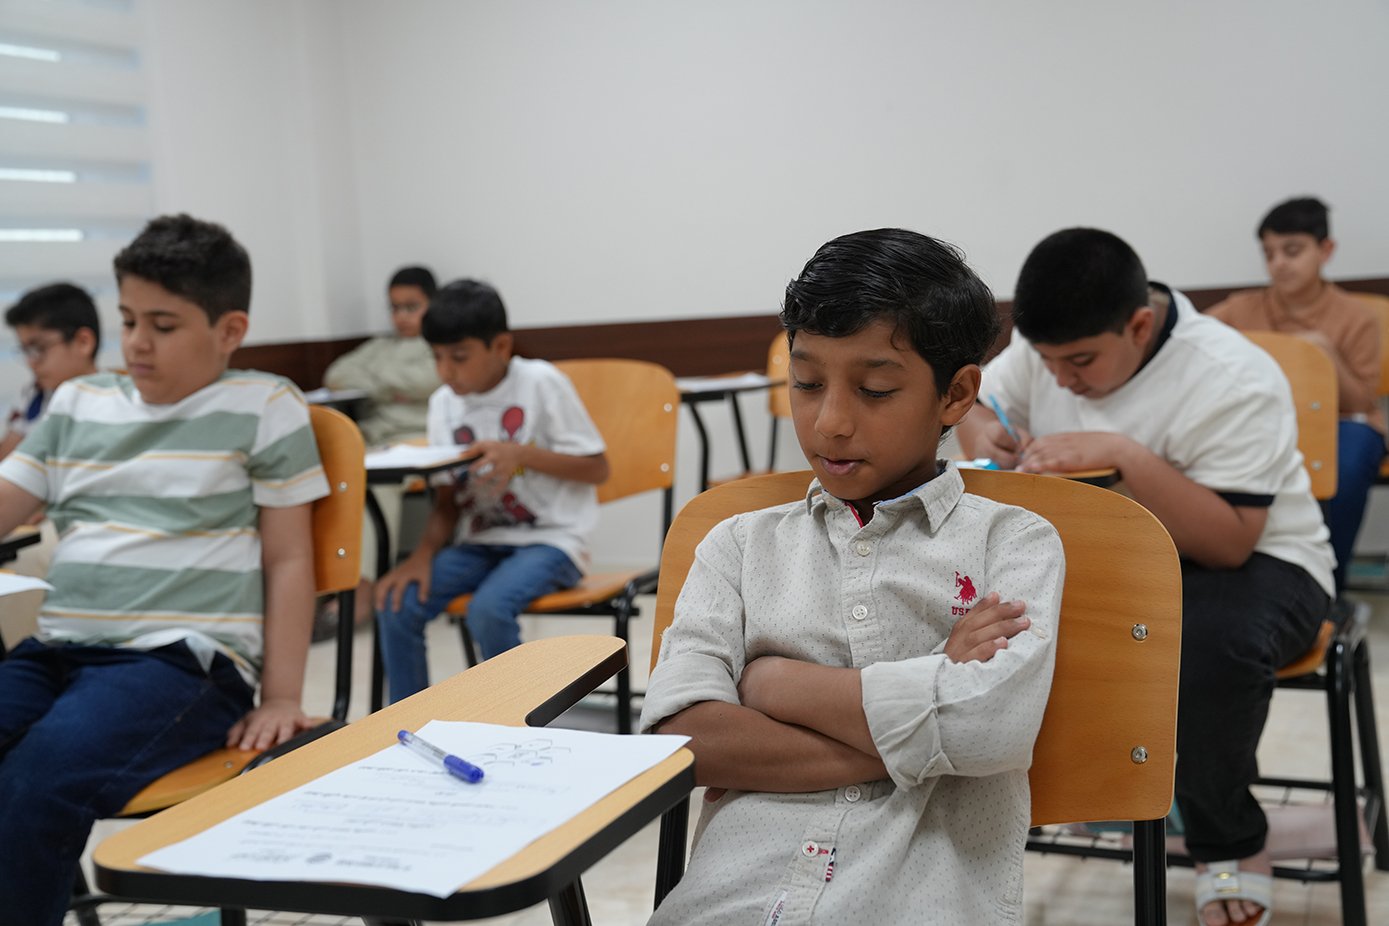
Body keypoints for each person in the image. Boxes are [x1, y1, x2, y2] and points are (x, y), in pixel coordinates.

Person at [641, 228, 1064, 925]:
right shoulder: (737, 547)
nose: (830, 422)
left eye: (874, 389)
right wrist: (930, 700)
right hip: (734, 899)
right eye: (806, 384)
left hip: (918, 902)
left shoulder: (1012, 542)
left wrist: (773, 685)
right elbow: (684, 742)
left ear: (956, 394)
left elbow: (988, 730)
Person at [959, 227, 1334, 926]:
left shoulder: (1231, 376)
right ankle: (1092, 792)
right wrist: (981, 433)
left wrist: (1125, 455)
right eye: (1047, 361)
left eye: (1080, 362)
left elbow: (1230, 541)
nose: (1061, 380)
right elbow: (983, 405)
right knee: (991, 621)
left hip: (1264, 561)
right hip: (1119, 551)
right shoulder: (1052, 347)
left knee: (1203, 650)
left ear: (1138, 326)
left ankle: (1228, 838)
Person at [0, 213, 329, 926]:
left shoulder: (264, 406)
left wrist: (280, 695)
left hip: (180, 662)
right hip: (57, 651)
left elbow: (289, 558)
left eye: (163, 325)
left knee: (35, 783)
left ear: (229, 330)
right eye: (127, 320)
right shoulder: (78, 403)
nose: (136, 343)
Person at [374, 279, 609, 703]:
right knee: (398, 602)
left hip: (553, 540)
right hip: (481, 543)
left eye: (459, 357)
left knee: (488, 609)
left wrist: (520, 454)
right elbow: (447, 501)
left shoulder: (540, 382)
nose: (446, 371)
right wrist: (420, 556)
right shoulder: (443, 404)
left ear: (500, 346)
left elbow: (597, 468)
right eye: (436, 357)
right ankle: (407, 722)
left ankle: (519, 721)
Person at [1206, 197, 1384, 594]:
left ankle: (1328, 589)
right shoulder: (1240, 309)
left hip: (1341, 427)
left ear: (1326, 250)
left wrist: (1325, 352)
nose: (1279, 264)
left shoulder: (1357, 316)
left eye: (1292, 251)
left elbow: (1360, 403)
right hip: (1263, 424)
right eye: (1269, 253)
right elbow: (1193, 340)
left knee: (1349, 456)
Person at [322, 265, 441, 445]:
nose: (401, 316)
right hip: (372, 435)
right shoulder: (379, 346)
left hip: (417, 435)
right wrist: (392, 390)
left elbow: (424, 381)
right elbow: (335, 376)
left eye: (411, 307)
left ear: (433, 304)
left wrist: (371, 383)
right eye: (395, 308)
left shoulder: (441, 346)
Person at [2, 282, 101, 460]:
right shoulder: (34, 395)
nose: (30, 362)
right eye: (25, 351)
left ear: (83, 342)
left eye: (38, 348)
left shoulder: (109, 404)